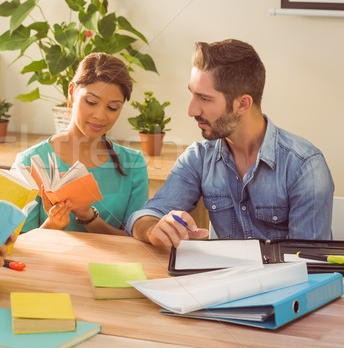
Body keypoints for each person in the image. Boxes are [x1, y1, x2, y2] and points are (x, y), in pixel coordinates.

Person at [126, 39, 334, 248]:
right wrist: (154, 228)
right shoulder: (198, 158)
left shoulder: (304, 166)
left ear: (243, 104)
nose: (192, 110)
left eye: (204, 99)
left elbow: (308, 266)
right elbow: (144, 216)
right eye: (192, 94)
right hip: (221, 279)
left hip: (285, 281)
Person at [15, 53, 148, 235]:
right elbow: (18, 245)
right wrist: (53, 225)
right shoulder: (29, 161)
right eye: (91, 102)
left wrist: (89, 218)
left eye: (113, 107)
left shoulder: (133, 165)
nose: (100, 116)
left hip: (113, 264)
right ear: (71, 93)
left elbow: (134, 244)